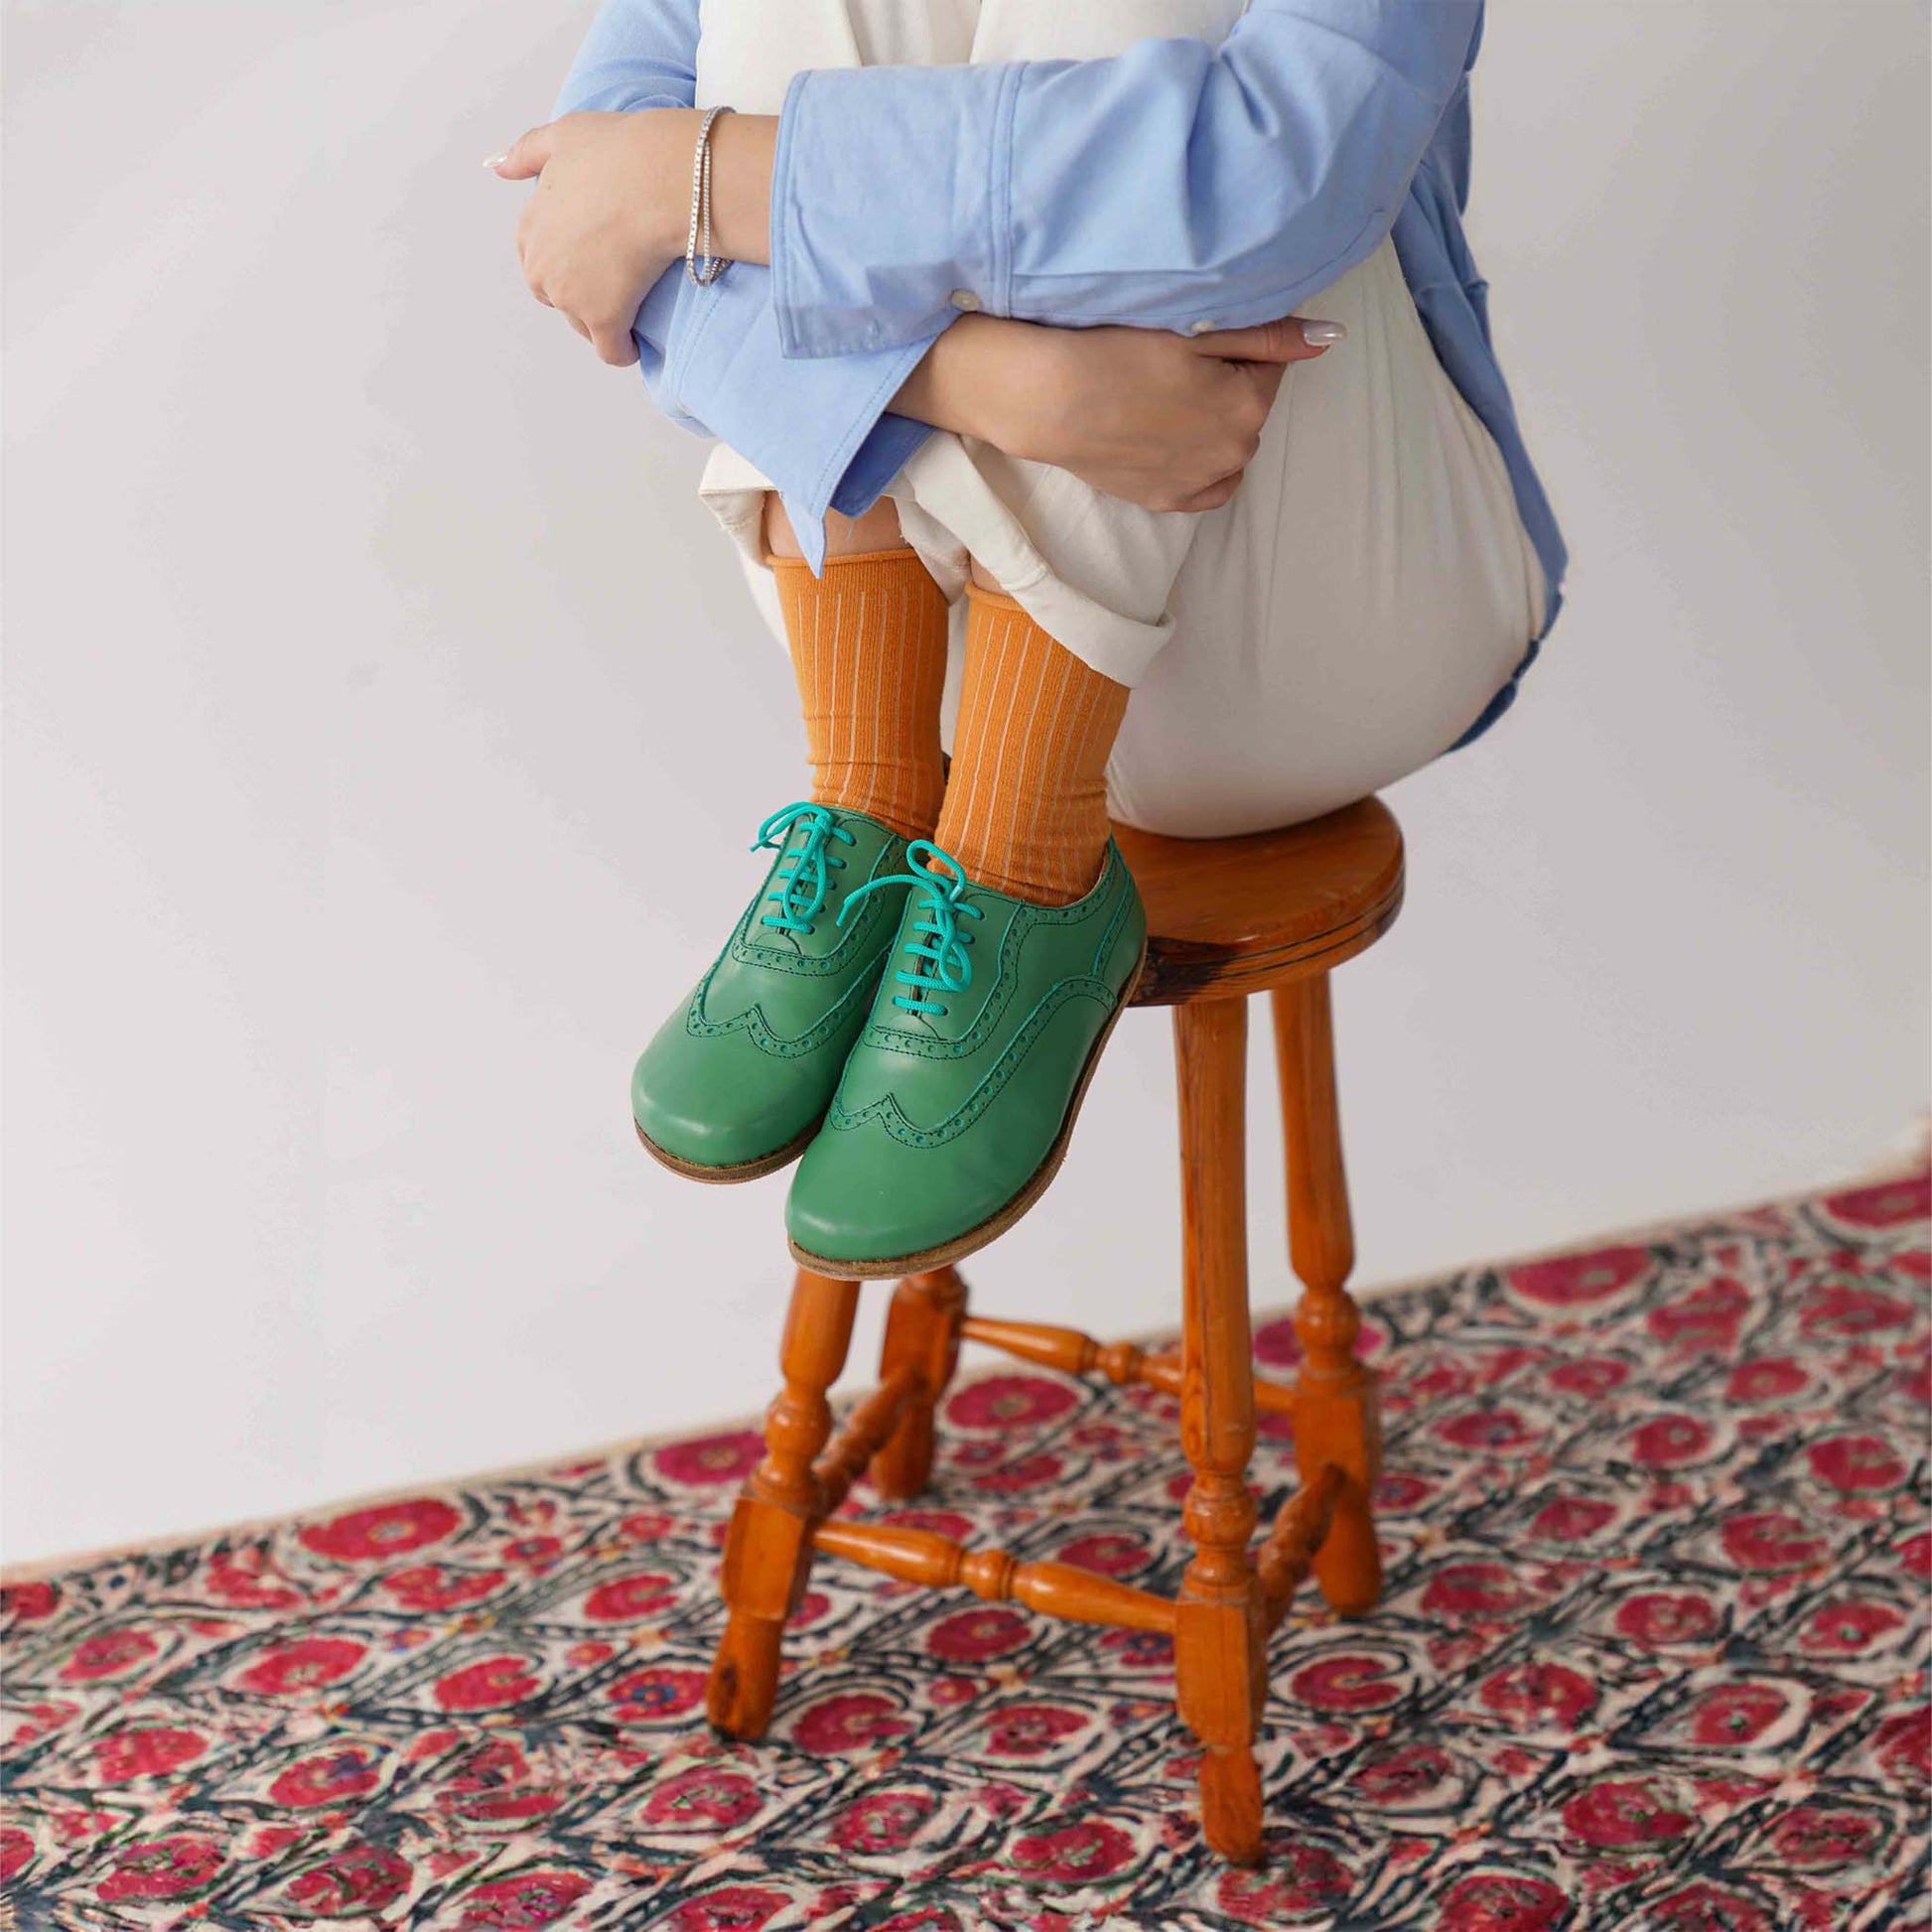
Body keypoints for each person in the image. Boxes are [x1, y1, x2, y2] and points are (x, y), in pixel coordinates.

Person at [492, 0, 1565, 1279]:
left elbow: (1265, 182)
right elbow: (585, 216)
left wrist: (699, 180)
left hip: (1306, 618)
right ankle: (871, 807)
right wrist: (989, 384)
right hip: (922, 646)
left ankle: (1022, 860)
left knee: (1115, 60)